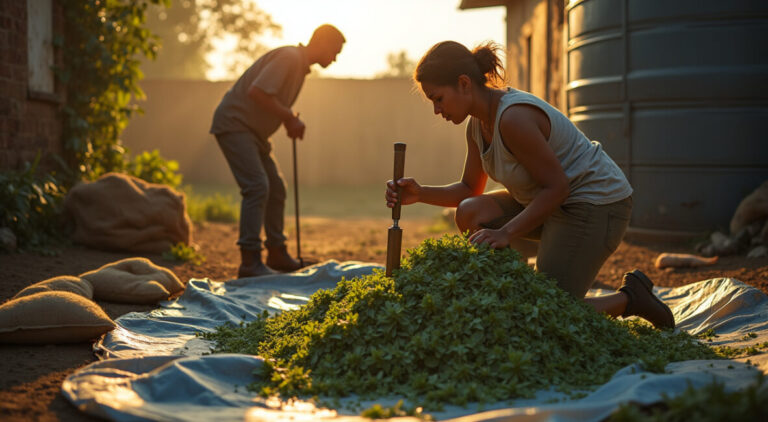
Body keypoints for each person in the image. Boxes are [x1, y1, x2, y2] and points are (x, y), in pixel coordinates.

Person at [385, 41, 674, 330]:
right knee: (470, 210)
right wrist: (420, 194)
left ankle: (631, 298)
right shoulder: (476, 126)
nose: (437, 110)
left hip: (596, 204)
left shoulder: (513, 118)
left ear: (463, 83)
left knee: (546, 311)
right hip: (551, 203)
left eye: (438, 99)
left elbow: (558, 188)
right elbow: (469, 189)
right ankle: (514, 291)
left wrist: (505, 232)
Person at [211, 24, 345, 278]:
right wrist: (289, 117)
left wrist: (286, 118)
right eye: (335, 52)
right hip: (235, 124)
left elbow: (266, 97)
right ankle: (250, 261)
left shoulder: (299, 66)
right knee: (257, 186)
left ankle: (277, 253)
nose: (335, 59)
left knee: (276, 187)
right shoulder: (289, 58)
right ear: (323, 43)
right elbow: (257, 91)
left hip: (253, 133)